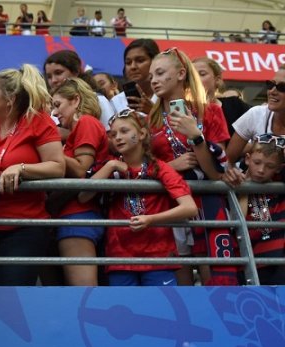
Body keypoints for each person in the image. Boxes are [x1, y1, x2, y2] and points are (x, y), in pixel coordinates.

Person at [0, 64, 65, 286]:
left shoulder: (37, 122)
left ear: (9, 99)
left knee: (14, 295)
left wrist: (21, 168)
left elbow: (58, 166)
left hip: (24, 227)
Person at [148, 47, 236, 286]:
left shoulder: (210, 111)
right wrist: (170, 165)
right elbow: (142, 168)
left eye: (159, 73)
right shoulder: (149, 120)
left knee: (214, 278)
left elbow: (216, 172)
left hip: (207, 202)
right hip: (170, 203)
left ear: (180, 74)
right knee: (181, 281)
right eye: (151, 77)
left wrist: (196, 137)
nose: (154, 81)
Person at [81, 109, 197, 286]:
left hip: (158, 258)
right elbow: (83, 196)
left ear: (142, 134)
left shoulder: (160, 168)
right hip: (120, 258)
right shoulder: (110, 166)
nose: (117, 137)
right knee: (125, 313)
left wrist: (151, 219)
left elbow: (189, 207)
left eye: (124, 131)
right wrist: (111, 165)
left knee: (161, 312)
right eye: (113, 134)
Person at [50, 78, 110, 286]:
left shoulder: (86, 122)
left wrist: (51, 151)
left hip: (77, 217)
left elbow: (82, 169)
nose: (55, 113)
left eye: (57, 105)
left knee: (83, 293)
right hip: (74, 215)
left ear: (75, 100)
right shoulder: (77, 129)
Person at [236, 137, 285, 285]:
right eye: (257, 163)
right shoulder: (236, 182)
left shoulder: (280, 183)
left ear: (279, 167)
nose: (261, 170)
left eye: (270, 166)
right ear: (247, 159)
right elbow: (238, 221)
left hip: (279, 263)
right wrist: (244, 190)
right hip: (251, 263)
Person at [224, 66, 285, 185]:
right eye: (270, 84)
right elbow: (227, 160)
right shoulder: (256, 114)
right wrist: (233, 174)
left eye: (282, 87)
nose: (272, 91)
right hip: (253, 196)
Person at [44, 50, 115, 129]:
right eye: (49, 76)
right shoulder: (51, 109)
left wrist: (68, 135)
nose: (53, 80)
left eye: (58, 73)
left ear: (75, 72)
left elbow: (111, 136)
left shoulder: (98, 100)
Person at [193, 57, 251, 137]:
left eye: (202, 74)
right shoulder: (185, 109)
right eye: (192, 75)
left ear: (217, 79)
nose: (195, 79)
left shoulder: (235, 105)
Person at [111, 38, 160, 113]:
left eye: (140, 60)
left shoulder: (167, 96)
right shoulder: (116, 102)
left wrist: (153, 112)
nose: (133, 67)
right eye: (128, 62)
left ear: (155, 62)